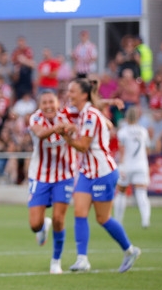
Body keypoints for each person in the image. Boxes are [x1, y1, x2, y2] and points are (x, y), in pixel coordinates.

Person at [59, 78, 140, 273]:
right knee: (79, 212)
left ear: (83, 95)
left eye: (72, 91)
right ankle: (82, 259)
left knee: (103, 218)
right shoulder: (82, 111)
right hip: (87, 172)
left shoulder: (90, 116)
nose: (69, 94)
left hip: (103, 172)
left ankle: (130, 250)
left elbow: (83, 146)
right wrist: (109, 102)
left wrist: (66, 136)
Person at [26, 90, 75, 274]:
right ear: (40, 105)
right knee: (35, 225)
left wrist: (70, 127)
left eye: (51, 102)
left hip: (64, 175)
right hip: (40, 176)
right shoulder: (35, 118)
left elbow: (76, 125)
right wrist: (58, 128)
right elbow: (39, 134)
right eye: (44, 102)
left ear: (57, 103)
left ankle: (56, 260)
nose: (48, 106)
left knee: (59, 219)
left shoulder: (66, 116)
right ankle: (42, 227)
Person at [114, 107, 152, 229]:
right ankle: (145, 221)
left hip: (127, 165)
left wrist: (121, 166)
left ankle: (118, 221)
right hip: (141, 165)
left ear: (126, 117)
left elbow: (122, 150)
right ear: (137, 117)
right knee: (141, 193)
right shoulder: (143, 131)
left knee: (121, 192)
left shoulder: (122, 132)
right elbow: (147, 149)